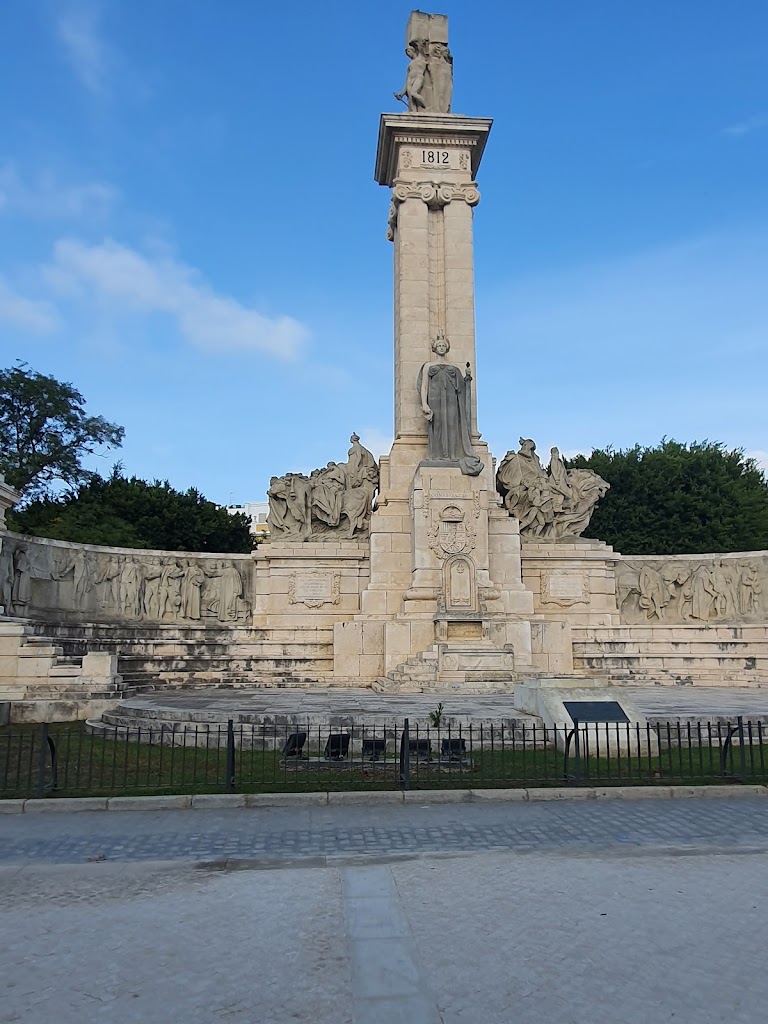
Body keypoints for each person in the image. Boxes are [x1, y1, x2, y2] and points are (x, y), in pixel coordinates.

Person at [418, 332, 482, 476]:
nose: (441, 347)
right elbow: (424, 386)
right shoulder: (428, 365)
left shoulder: (453, 366)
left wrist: (467, 378)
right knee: (437, 426)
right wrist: (424, 404)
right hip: (434, 399)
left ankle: (453, 455)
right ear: (434, 348)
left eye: (443, 345)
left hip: (451, 400)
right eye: (439, 345)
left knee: (452, 425)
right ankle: (436, 455)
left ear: (447, 348)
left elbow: (461, 387)